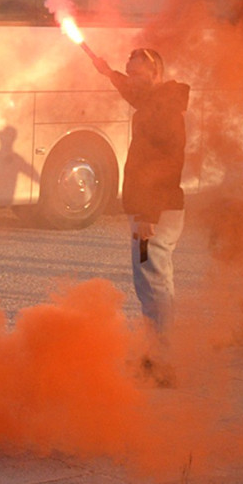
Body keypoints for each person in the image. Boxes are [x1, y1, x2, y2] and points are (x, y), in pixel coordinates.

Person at [79, 42, 190, 336]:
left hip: (153, 211)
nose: (132, 80)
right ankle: (160, 349)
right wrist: (108, 72)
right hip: (155, 208)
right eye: (130, 73)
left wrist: (147, 215)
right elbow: (131, 91)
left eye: (138, 74)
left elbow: (167, 164)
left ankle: (161, 356)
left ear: (156, 74)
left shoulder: (162, 110)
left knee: (151, 281)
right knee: (153, 278)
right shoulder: (156, 101)